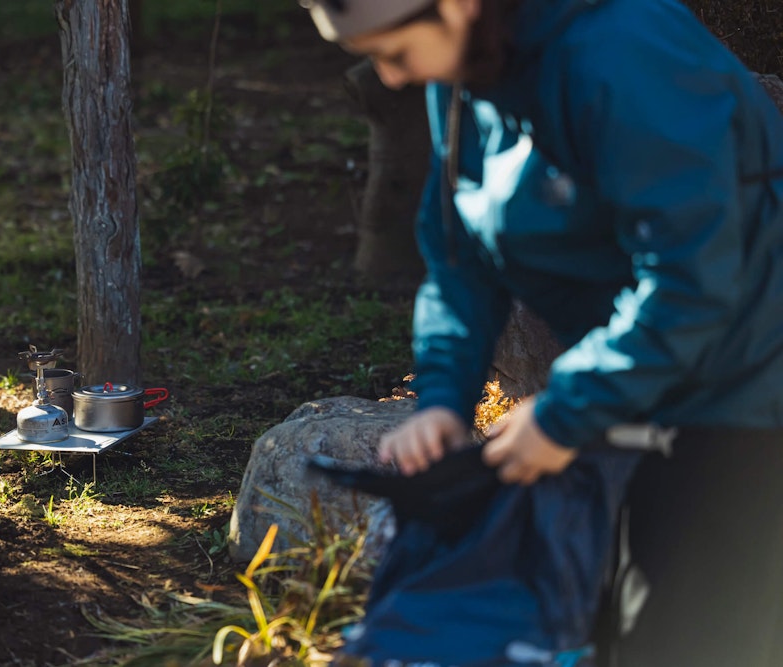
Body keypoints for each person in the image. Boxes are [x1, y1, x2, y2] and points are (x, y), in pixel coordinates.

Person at [301, 0, 783, 665]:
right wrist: (445, 400)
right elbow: (459, 260)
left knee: (695, 633)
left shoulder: (622, 55)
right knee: (608, 625)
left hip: (746, 392)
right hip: (634, 389)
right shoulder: (468, 74)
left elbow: (693, 279)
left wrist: (563, 415)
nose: (387, 78)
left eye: (394, 51)